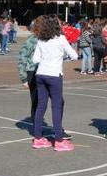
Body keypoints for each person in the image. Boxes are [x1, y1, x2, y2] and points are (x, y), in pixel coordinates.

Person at [31, 16, 78, 151]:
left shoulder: (41, 40)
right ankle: (58, 140)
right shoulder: (61, 39)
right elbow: (74, 55)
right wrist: (62, 55)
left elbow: (35, 59)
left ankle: (38, 138)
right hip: (54, 74)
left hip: (41, 74)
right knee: (56, 107)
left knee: (41, 106)